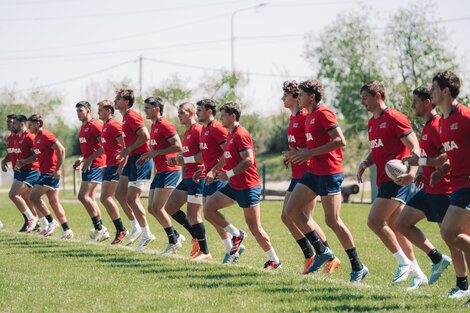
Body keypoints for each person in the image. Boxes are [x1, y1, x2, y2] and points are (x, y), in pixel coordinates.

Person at [284, 80, 367, 282]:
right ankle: (322, 251)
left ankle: (358, 266)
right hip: (313, 171)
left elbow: (340, 140)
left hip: (329, 172)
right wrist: (299, 153)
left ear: (312, 97)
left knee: (333, 221)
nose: (299, 97)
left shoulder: (323, 113)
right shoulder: (309, 115)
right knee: (291, 211)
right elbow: (311, 145)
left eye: (302, 94)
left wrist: (309, 152)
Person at [395, 86, 465, 291]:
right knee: (402, 223)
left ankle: (462, 286)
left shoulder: (437, 125)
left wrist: (422, 162)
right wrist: (421, 172)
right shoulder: (426, 126)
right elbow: (430, 158)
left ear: (427, 103)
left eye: (415, 101)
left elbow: (445, 156)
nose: (412, 105)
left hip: (444, 190)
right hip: (427, 189)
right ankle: (436, 259)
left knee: (452, 239)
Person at [357, 80, 425, 288]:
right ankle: (419, 274)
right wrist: (366, 162)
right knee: (397, 228)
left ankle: (404, 264)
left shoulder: (395, 118)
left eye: (365, 98)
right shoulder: (372, 123)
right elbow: (377, 148)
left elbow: (415, 146)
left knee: (374, 222)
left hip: (397, 180)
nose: (362, 102)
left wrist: (412, 173)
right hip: (385, 180)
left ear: (378, 95)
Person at [203, 102, 281, 270]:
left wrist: (228, 174)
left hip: (248, 186)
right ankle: (237, 234)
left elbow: (249, 160)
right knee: (208, 209)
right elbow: (226, 155)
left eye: (223, 115)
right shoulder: (230, 134)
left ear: (233, 116)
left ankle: (275, 261)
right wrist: (215, 170)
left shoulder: (241, 134)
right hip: (234, 185)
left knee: (255, 228)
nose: (220, 118)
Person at [280, 81, 335, 275]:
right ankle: (312, 254)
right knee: (287, 216)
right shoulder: (293, 117)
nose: (282, 99)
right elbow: (301, 145)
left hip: (308, 172)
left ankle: (327, 255)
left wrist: (303, 155)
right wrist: (291, 156)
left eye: (285, 95)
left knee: (305, 218)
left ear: (296, 97)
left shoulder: (305, 116)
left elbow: (313, 144)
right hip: (297, 172)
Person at [429, 71, 470, 306]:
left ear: (445, 91)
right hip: (457, 184)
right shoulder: (443, 121)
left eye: (434, 88)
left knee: (448, 232)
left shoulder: (465, 116)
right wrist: (442, 170)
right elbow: (455, 154)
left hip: (468, 185)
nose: (431, 91)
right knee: (463, 239)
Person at [194, 99, 243, 264]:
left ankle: (234, 241)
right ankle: (232, 248)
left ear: (209, 111)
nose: (197, 113)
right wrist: (203, 168)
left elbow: (227, 152)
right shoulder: (203, 130)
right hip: (209, 176)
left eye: (199, 110)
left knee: (210, 212)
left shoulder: (216, 128)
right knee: (209, 215)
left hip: (218, 176)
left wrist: (215, 170)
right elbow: (210, 154)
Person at [136, 96, 184, 254]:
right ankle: (176, 236)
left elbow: (177, 145)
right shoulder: (154, 126)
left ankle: (173, 241)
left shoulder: (164, 124)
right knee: (151, 208)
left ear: (157, 109)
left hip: (170, 170)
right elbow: (156, 150)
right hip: (160, 171)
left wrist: (156, 152)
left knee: (158, 207)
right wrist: (147, 156)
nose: (145, 111)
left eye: (148, 108)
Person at [165, 102, 210, 260]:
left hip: (198, 178)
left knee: (194, 215)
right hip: (187, 177)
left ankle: (205, 251)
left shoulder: (198, 130)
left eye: (181, 112)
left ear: (191, 113)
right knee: (170, 207)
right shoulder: (187, 132)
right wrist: (177, 161)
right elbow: (189, 159)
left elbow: (204, 156)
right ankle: (196, 236)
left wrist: (183, 159)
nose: (179, 115)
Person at [114, 89, 155, 251]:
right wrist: (123, 161)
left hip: (141, 159)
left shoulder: (132, 116)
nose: (114, 101)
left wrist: (128, 149)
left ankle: (147, 233)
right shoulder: (124, 118)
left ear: (126, 102)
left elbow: (145, 136)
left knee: (132, 199)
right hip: (131, 159)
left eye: (118, 98)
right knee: (119, 194)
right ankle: (135, 227)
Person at [27, 114, 73, 239]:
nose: (28, 127)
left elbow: (61, 149)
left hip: (50, 173)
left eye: (30, 124)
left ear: (38, 124)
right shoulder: (36, 138)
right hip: (45, 173)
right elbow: (37, 156)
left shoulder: (46, 135)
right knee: (54, 203)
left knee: (33, 197)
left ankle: (51, 222)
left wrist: (58, 168)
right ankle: (67, 229)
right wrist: (23, 162)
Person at [73, 101, 109, 242]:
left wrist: (89, 159)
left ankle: (100, 228)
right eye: (77, 111)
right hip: (88, 164)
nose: (78, 113)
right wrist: (82, 159)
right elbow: (90, 149)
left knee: (83, 196)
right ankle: (100, 229)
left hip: (97, 164)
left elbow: (105, 146)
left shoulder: (95, 125)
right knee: (91, 198)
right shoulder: (83, 127)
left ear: (88, 111)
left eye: (81, 111)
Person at [96, 100, 129, 244]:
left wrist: (122, 164)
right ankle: (123, 228)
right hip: (109, 165)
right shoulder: (105, 126)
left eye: (101, 110)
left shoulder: (114, 124)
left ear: (109, 111)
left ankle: (123, 229)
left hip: (116, 165)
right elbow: (108, 147)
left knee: (107, 198)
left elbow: (126, 145)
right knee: (106, 198)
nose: (98, 112)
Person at [2, 114, 40, 232]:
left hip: (29, 171)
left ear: (20, 124)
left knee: (14, 194)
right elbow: (13, 153)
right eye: (8, 122)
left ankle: (33, 219)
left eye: (12, 122)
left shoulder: (27, 136)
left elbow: (37, 154)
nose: (10, 125)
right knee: (27, 198)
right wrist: (4, 160)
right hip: (18, 171)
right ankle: (38, 223)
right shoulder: (12, 138)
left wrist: (24, 162)